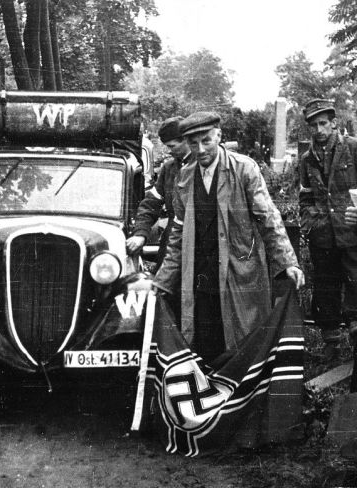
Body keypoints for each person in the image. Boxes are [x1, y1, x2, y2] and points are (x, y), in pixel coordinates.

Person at [152, 111, 304, 364]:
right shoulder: (185, 177)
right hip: (200, 274)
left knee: (242, 338)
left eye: (206, 141)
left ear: (219, 137)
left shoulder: (244, 169)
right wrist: (162, 282)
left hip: (238, 272)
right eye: (193, 143)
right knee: (203, 338)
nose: (200, 149)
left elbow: (268, 219)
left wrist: (288, 262)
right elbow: (178, 235)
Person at [299, 99, 357, 360]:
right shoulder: (307, 159)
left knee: (355, 282)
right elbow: (306, 196)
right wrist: (309, 223)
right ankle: (331, 341)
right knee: (325, 288)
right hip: (322, 235)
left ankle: (356, 338)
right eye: (314, 125)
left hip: (351, 231)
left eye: (324, 123)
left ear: (334, 123)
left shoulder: (353, 148)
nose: (319, 129)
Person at [126, 117, 192, 269]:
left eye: (172, 146)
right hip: (170, 245)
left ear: (186, 140)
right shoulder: (169, 168)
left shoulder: (202, 166)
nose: (169, 150)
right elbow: (151, 204)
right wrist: (140, 233)